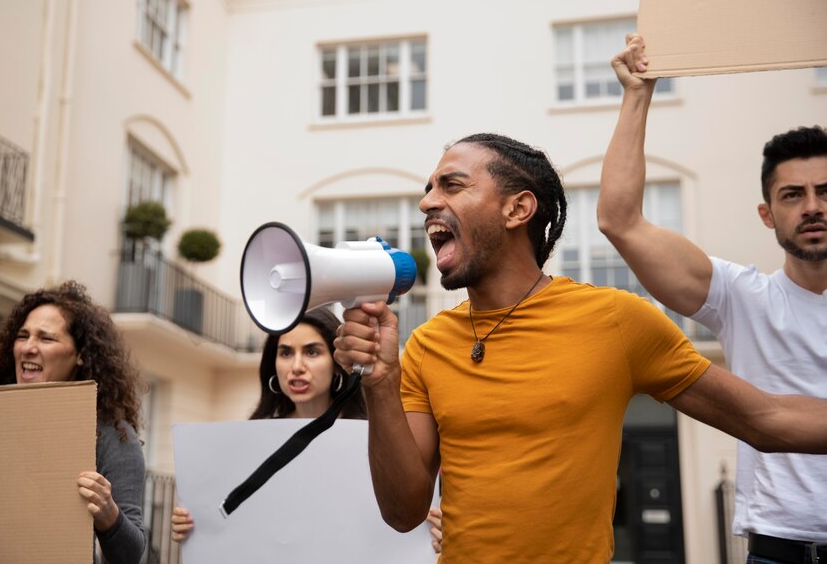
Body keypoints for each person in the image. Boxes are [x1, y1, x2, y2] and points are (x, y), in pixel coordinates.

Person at [332, 132, 827, 563]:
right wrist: (381, 381)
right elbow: (403, 512)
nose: (427, 203)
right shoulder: (426, 344)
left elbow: (765, 419)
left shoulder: (616, 320)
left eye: (452, 185)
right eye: (429, 188)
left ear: (517, 209)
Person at [599, 34, 827, 563]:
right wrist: (637, 94)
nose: (813, 207)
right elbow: (620, 221)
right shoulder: (743, 297)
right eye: (793, 195)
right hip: (779, 549)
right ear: (767, 214)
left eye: (825, 191)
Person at [170, 307, 444, 553]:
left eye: (312, 352)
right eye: (286, 353)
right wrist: (194, 527)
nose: (297, 367)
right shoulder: (249, 444)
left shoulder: (380, 437)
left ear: (338, 364)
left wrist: (438, 531)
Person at [0, 280, 146, 564]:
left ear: (80, 355)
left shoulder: (112, 435)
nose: (28, 347)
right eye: (22, 335)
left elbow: (130, 555)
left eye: (46, 339)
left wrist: (109, 515)